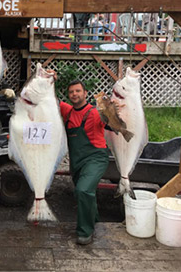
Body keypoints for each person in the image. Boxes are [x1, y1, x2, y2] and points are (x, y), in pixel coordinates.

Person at [58, 78, 109, 245]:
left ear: (85, 93)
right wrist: (49, 78)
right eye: (71, 92)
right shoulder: (67, 111)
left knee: (83, 190)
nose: (74, 94)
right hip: (77, 161)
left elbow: (111, 121)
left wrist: (111, 109)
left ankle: (85, 232)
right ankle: (93, 220)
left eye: (78, 91)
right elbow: (50, 99)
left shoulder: (95, 113)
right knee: (87, 191)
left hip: (96, 158)